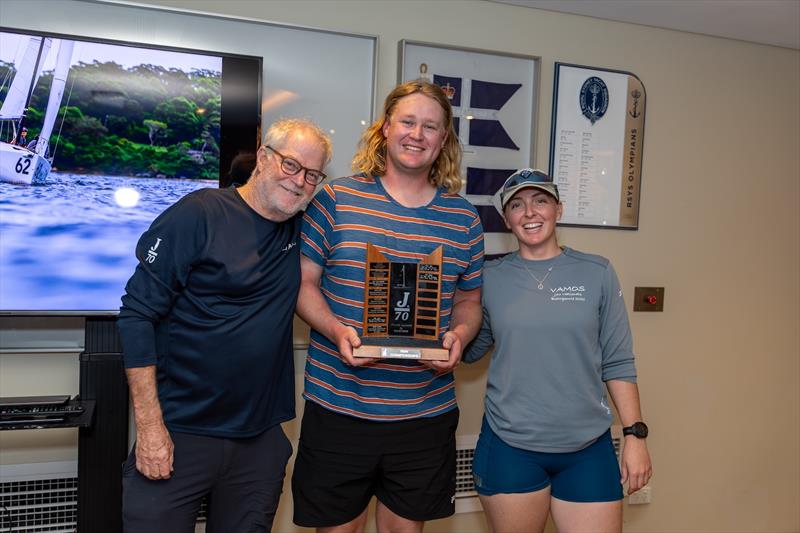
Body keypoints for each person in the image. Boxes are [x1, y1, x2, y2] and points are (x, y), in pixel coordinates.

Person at [117, 118, 332, 532]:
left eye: (312, 174)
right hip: (181, 431)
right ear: (265, 157)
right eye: (291, 165)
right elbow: (136, 314)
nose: (300, 181)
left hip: (259, 441)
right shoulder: (199, 213)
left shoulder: (300, 232)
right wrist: (149, 428)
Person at [292, 80, 485, 533]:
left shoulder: (463, 218)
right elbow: (303, 284)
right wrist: (338, 332)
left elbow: (470, 300)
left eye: (431, 126)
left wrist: (460, 335)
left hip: (425, 414)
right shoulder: (335, 199)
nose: (417, 134)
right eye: (408, 122)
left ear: (444, 141)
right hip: (340, 407)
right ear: (385, 129)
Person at [463, 169, 653, 533]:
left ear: (559, 209)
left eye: (540, 201)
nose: (529, 212)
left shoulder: (596, 272)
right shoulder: (491, 278)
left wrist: (635, 436)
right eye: (516, 205)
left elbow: (618, 361)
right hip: (511, 445)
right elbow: (473, 349)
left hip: (587, 447)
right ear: (507, 220)